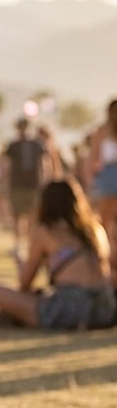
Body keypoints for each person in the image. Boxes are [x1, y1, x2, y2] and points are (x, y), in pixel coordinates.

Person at [0, 178, 114, 330]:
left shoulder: (45, 231)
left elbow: (25, 283)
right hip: (105, 306)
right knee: (39, 296)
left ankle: (17, 317)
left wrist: (20, 262)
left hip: (69, 307)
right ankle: (18, 317)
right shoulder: (95, 229)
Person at [2, 118, 49, 254]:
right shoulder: (13, 146)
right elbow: (7, 166)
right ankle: (17, 245)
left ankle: (31, 244)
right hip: (17, 184)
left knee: (33, 217)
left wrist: (44, 181)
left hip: (33, 185)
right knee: (17, 216)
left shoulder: (36, 145)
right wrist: (5, 184)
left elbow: (43, 164)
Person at [88, 99, 117, 285]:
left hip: (108, 175)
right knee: (105, 222)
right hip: (107, 176)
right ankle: (106, 260)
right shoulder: (102, 131)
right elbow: (94, 157)